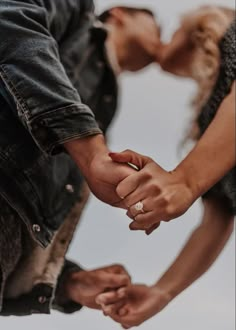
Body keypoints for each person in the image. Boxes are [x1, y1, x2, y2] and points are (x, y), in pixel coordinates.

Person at [0, 1, 162, 315]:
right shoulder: (77, 10)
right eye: (156, 27)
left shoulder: (102, 109)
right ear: (119, 14)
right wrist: (90, 152)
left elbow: (28, 218)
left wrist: (69, 282)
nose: (162, 40)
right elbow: (9, 19)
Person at [97, 6, 235, 328]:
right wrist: (163, 291)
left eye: (169, 30)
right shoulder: (212, 125)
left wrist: (184, 180)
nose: (162, 42)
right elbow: (218, 216)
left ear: (197, 28)